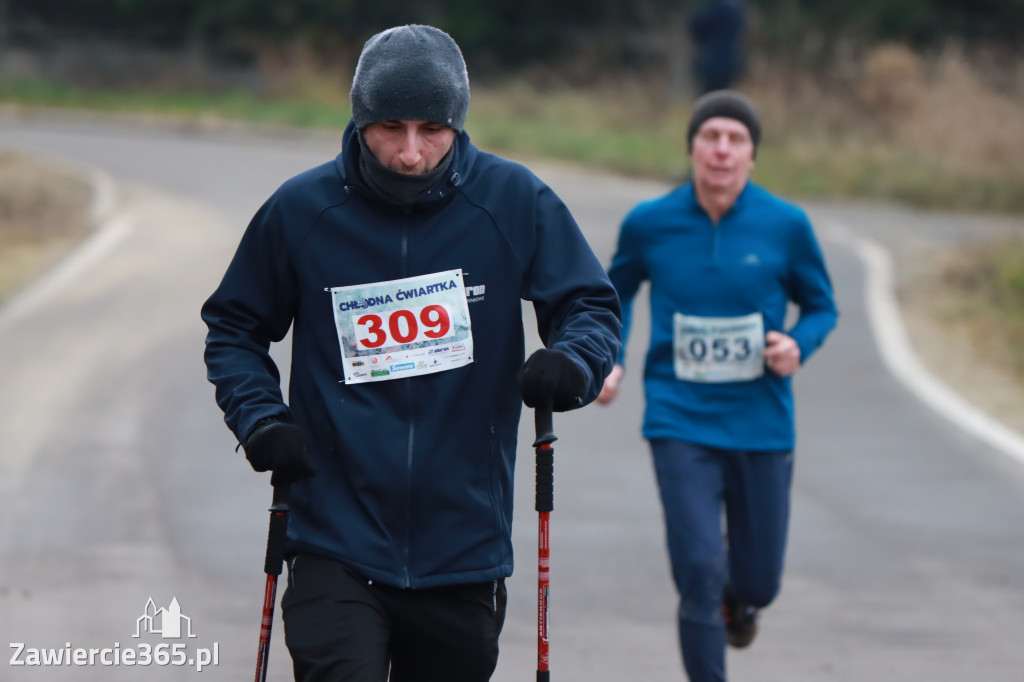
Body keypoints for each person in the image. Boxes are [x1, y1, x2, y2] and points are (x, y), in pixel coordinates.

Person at [201, 24, 621, 682]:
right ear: (359, 118)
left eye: (432, 130)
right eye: (390, 128)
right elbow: (234, 326)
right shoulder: (301, 210)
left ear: (458, 123)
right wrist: (260, 418)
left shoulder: (513, 202)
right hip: (332, 535)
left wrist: (573, 363)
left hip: (464, 543)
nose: (409, 152)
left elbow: (589, 305)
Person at [597, 90, 838, 682]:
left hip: (761, 421)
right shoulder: (650, 224)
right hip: (679, 419)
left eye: (736, 140)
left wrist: (796, 344)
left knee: (759, 581)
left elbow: (821, 307)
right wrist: (611, 357)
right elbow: (612, 294)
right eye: (711, 137)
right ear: (692, 148)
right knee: (700, 570)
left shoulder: (786, 225)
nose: (722, 150)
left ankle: (744, 599)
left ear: (753, 156)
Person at [689, 0, 746, 95]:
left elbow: (695, 24)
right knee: (726, 95)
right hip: (730, 62)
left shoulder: (716, 9)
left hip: (712, 63)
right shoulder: (736, 9)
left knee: (709, 98)